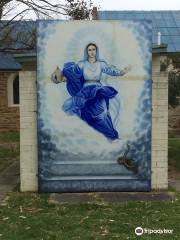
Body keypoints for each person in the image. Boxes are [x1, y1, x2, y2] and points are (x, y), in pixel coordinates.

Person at [51, 42, 131, 141]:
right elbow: (73, 73)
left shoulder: (101, 64)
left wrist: (122, 72)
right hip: (85, 91)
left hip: (97, 89)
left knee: (103, 114)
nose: (92, 52)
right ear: (87, 52)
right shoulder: (82, 64)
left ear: (96, 51)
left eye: (93, 49)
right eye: (89, 50)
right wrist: (62, 76)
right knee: (78, 110)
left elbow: (111, 70)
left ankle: (111, 135)